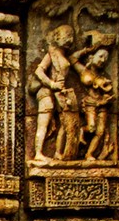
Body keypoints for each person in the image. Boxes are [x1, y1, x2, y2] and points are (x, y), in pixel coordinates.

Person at [31, 24, 75, 163]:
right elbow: (39, 71)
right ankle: (38, 153)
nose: (69, 39)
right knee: (43, 124)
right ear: (57, 37)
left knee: (64, 123)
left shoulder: (63, 55)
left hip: (59, 93)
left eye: (71, 36)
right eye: (66, 35)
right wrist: (51, 84)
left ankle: (58, 153)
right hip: (47, 92)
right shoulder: (52, 53)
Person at [70, 45, 114, 161]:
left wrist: (106, 99)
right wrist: (88, 49)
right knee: (91, 128)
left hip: (102, 105)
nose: (103, 60)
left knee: (100, 132)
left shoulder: (103, 77)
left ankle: (89, 154)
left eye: (106, 59)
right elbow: (72, 58)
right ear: (92, 57)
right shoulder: (84, 71)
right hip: (90, 103)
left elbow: (108, 93)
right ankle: (81, 130)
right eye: (100, 56)